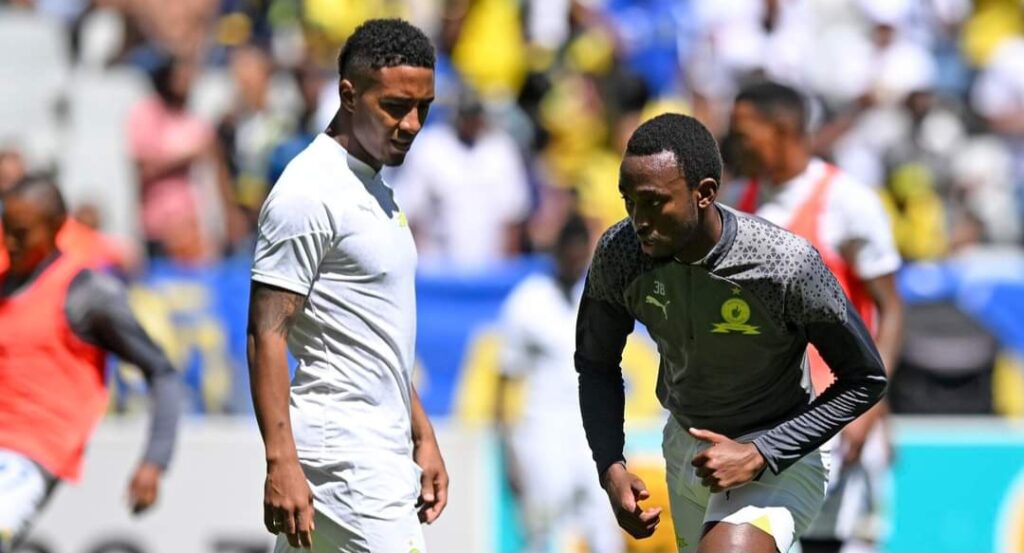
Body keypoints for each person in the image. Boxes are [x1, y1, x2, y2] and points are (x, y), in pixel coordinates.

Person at [576, 113, 888, 553]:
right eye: (628, 201)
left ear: (704, 194)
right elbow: (595, 363)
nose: (638, 220)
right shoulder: (620, 253)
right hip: (686, 451)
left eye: (652, 202)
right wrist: (610, 464)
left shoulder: (784, 263)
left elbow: (866, 378)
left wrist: (760, 452)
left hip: (778, 456)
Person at [247, 19, 448, 553]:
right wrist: (280, 463)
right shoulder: (308, 192)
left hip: (374, 445)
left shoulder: (374, 187)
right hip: (345, 457)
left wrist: (421, 433)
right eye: (396, 106)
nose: (412, 124)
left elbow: (370, 332)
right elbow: (265, 334)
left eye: (424, 107)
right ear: (348, 94)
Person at [728, 81, 903, 553]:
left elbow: (890, 308)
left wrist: (870, 406)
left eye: (745, 134)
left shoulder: (847, 202)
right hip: (761, 425)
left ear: (782, 130)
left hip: (834, 417)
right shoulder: (735, 204)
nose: (735, 144)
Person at [0, 176, 181, 552]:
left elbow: (161, 371)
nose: (10, 244)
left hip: (29, 454)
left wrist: (154, 460)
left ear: (55, 227)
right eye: (6, 232)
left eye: (21, 234)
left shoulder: (88, 294)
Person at [495, 215, 623, 553]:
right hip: (542, 429)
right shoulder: (528, 301)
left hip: (591, 430)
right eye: (568, 254)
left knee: (604, 525)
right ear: (556, 253)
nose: (573, 262)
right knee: (541, 529)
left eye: (580, 255)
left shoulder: (597, 296)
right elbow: (505, 377)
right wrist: (506, 447)